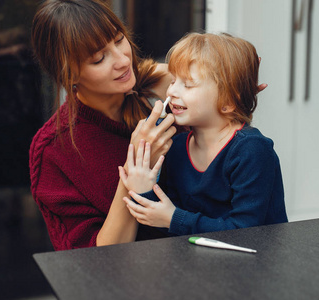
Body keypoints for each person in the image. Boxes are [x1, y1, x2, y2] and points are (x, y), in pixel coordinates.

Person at [29, 0, 177, 250]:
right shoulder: (54, 151)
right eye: (99, 58)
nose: (122, 60)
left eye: (119, 40)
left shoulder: (159, 87)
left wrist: (232, 85)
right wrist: (137, 164)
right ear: (70, 75)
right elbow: (93, 259)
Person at [119, 32, 288, 236]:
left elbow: (245, 232)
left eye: (188, 84)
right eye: (173, 81)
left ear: (228, 101)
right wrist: (144, 189)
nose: (171, 92)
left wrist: (173, 218)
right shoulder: (177, 148)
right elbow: (162, 229)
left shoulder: (252, 151)